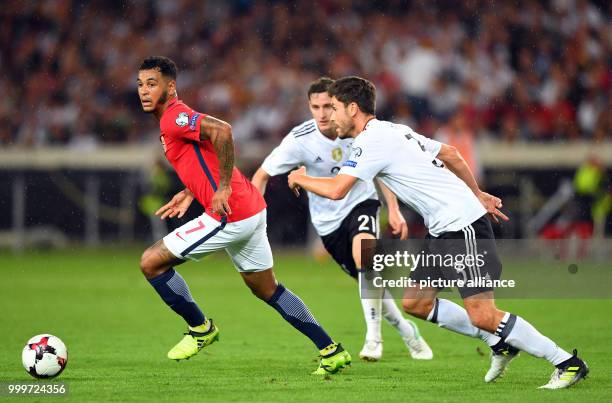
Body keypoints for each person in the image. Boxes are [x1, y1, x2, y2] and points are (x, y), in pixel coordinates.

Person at [287, 76, 589, 389]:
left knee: (483, 313)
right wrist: (478, 193)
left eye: (334, 108)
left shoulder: (370, 141)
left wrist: (300, 178)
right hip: (443, 229)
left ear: (352, 108)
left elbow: (337, 190)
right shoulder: (394, 129)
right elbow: (450, 154)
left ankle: (566, 362)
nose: (330, 116)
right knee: (416, 302)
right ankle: (500, 343)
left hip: (462, 226)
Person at [136, 56, 350, 375]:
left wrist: (221, 188)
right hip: (251, 207)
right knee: (268, 289)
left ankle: (200, 329)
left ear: (170, 87)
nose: (144, 90)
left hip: (229, 214)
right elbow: (204, 155)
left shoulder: (173, 117)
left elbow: (223, 130)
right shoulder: (172, 121)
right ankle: (331, 350)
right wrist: (191, 190)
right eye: (140, 84)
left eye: (152, 84)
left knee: (151, 262)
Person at [252, 77, 432, 361]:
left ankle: (373, 339)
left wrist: (393, 208)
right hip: (328, 224)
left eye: (328, 106)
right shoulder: (299, 140)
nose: (323, 114)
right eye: (316, 107)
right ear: (309, 107)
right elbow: (262, 175)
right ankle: (406, 330)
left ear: (340, 106)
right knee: (369, 282)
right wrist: (253, 215)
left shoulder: (359, 130)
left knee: (366, 260)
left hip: (361, 203)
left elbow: (380, 169)